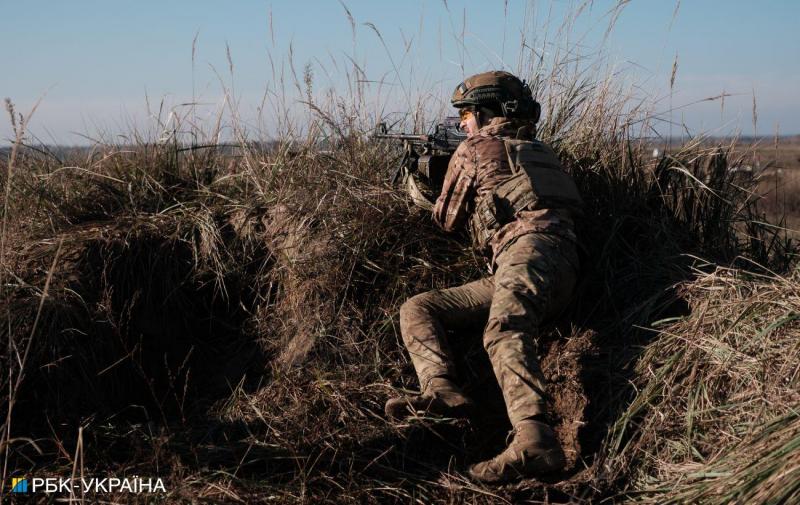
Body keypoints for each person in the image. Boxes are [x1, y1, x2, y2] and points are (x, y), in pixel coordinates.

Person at [384, 71, 583, 483]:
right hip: (558, 263)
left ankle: (535, 439)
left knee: (503, 330)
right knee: (421, 308)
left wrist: (419, 187)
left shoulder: (475, 147)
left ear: (487, 113)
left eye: (467, 114)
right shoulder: (540, 149)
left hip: (527, 253)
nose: (461, 124)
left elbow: (448, 219)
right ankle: (440, 387)